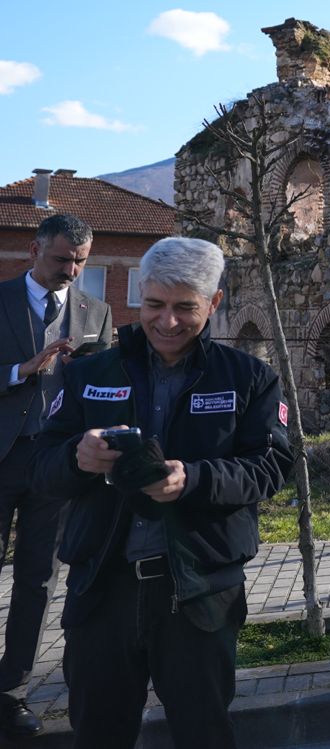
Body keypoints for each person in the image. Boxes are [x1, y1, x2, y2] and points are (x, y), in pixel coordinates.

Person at [34, 236, 291, 749]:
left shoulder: (249, 378)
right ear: (141, 295)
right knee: (99, 732)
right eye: (154, 305)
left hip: (198, 590)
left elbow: (271, 466)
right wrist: (75, 457)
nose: (167, 322)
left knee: (204, 733)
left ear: (214, 303)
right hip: (103, 588)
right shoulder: (88, 371)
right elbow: (41, 468)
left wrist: (192, 480)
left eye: (184, 308)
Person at [0, 212, 112, 739]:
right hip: (1, 457)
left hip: (55, 465)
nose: (71, 270)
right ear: (33, 250)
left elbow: (106, 383)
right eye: (62, 258)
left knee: (37, 581)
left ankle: (13, 692)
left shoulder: (97, 311)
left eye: (80, 262)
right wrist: (22, 370)